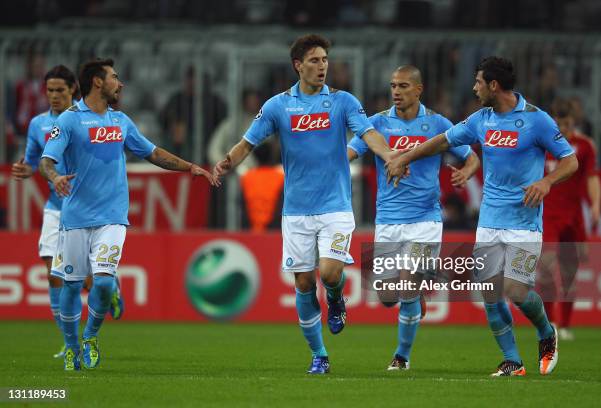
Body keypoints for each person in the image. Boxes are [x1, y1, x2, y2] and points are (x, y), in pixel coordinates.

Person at [213, 34, 403, 374]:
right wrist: (228, 162)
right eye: (314, 60)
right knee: (302, 284)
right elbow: (248, 142)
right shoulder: (277, 106)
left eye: (325, 60)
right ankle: (319, 355)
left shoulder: (343, 101)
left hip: (335, 207)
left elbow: (368, 132)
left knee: (330, 273)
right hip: (296, 210)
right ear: (298, 66)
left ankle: (335, 297)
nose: (322, 66)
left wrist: (388, 153)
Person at [386, 56, 578, 377]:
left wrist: (546, 181)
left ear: (493, 85)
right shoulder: (480, 120)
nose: (473, 88)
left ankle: (546, 332)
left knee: (516, 291)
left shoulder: (536, 120)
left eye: (478, 82)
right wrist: (405, 156)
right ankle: (512, 361)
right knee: (490, 293)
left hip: (524, 224)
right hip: (489, 223)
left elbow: (570, 161)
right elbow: (442, 141)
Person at [39, 58, 217, 371]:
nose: (120, 84)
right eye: (114, 78)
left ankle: (91, 336)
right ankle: (70, 347)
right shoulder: (68, 121)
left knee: (104, 282)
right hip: (76, 217)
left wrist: (190, 166)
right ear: (97, 82)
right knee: (71, 284)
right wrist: (54, 178)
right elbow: (46, 161)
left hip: (112, 217)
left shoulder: (121, 121)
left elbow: (153, 152)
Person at [347, 65, 480, 370]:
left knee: (406, 289)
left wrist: (466, 172)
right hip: (388, 222)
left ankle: (401, 356)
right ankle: (415, 295)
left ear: (418, 90)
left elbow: (470, 156)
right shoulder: (376, 123)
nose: (396, 91)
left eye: (403, 86)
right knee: (386, 296)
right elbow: (351, 151)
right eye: (393, 85)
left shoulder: (436, 123)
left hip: (425, 220)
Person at [11, 65, 111, 360]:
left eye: (60, 91)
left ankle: (110, 286)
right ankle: (68, 342)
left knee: (87, 278)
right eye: (49, 90)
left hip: (86, 207)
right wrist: (25, 170)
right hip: (56, 207)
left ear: (73, 91)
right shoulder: (37, 124)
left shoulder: (85, 121)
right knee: (52, 271)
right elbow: (33, 161)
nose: (53, 96)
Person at [539, 98, 601, 341]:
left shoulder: (585, 146)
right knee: (545, 269)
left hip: (574, 217)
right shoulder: (541, 144)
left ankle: (564, 324)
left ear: (573, 122)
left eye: (567, 124)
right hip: (547, 216)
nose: (563, 129)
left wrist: (595, 204)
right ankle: (550, 323)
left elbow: (592, 177)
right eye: (559, 123)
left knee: (569, 274)